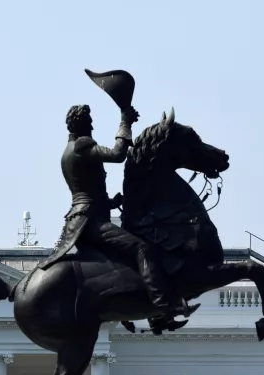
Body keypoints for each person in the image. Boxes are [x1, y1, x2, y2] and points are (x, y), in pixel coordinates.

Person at [37, 104, 197, 329]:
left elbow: (84, 190)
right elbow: (117, 154)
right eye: (90, 121)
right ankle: (163, 308)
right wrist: (125, 121)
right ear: (83, 124)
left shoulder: (67, 150)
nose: (92, 125)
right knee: (143, 249)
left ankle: (134, 307)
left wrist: (111, 202)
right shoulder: (82, 145)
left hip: (81, 218)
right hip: (92, 222)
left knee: (123, 259)